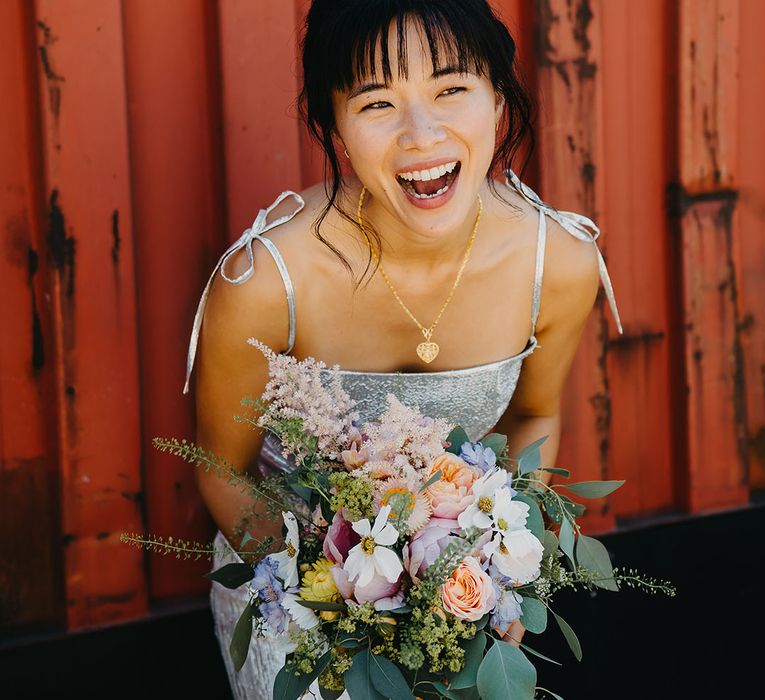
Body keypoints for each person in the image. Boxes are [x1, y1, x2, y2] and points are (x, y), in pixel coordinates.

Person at [183, 1, 623, 698]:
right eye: (377, 102)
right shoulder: (269, 282)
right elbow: (220, 468)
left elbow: (532, 419)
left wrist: (496, 577)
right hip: (291, 594)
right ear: (331, 123)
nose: (423, 134)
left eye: (452, 89)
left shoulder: (558, 262)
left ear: (500, 99)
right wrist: (351, 601)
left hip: (457, 591)